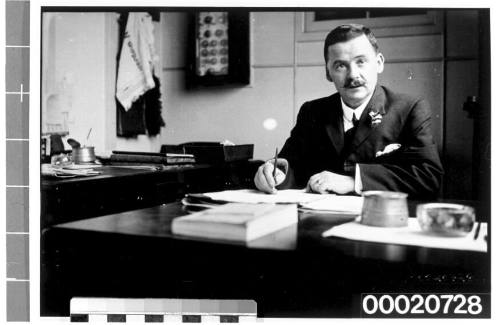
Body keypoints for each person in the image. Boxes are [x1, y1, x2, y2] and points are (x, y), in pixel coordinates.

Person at [254, 24, 443, 199]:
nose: (353, 75)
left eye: (361, 62)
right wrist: (274, 174)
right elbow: (292, 165)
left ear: (379, 63)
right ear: (328, 73)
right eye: (340, 66)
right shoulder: (312, 112)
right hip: (319, 222)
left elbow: (429, 177)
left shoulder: (409, 108)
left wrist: (355, 181)